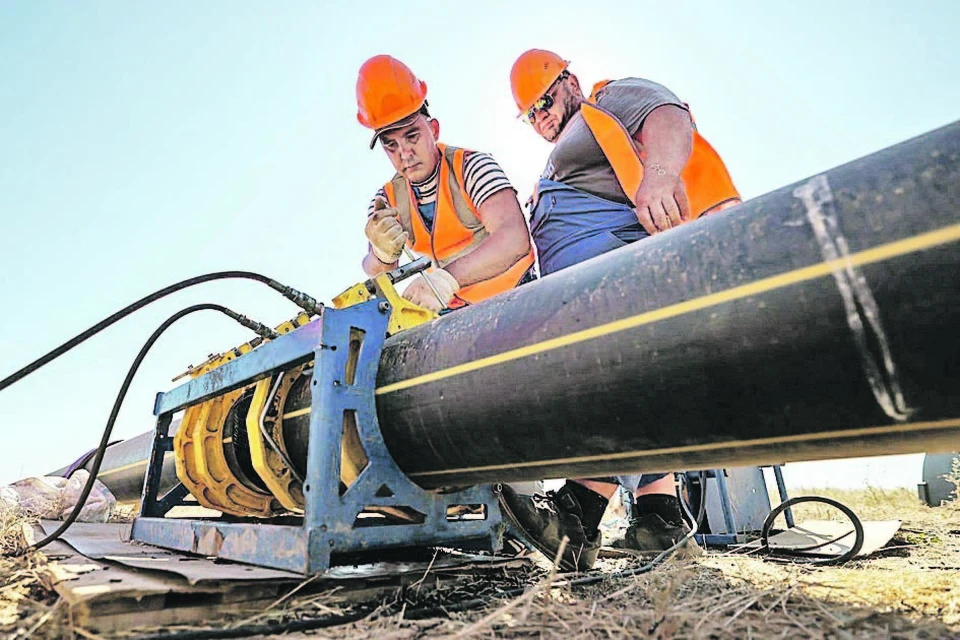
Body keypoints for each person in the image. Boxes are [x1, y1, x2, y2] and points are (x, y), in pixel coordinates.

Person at [498, 49, 742, 572]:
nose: (541, 116)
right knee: (627, 385)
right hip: (584, 292)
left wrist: (659, 172)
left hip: (623, 277)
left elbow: (668, 113)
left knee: (613, 380)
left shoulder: (607, 101)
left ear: (571, 81)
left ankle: (578, 518)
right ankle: (660, 518)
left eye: (545, 100)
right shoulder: (561, 155)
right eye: (530, 113)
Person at [356, 55, 534, 313]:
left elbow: (515, 239)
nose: (404, 154)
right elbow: (376, 274)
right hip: (454, 318)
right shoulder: (387, 200)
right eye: (390, 145)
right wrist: (382, 254)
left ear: (434, 130)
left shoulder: (472, 167)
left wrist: (445, 280)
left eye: (412, 136)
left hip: (520, 300)